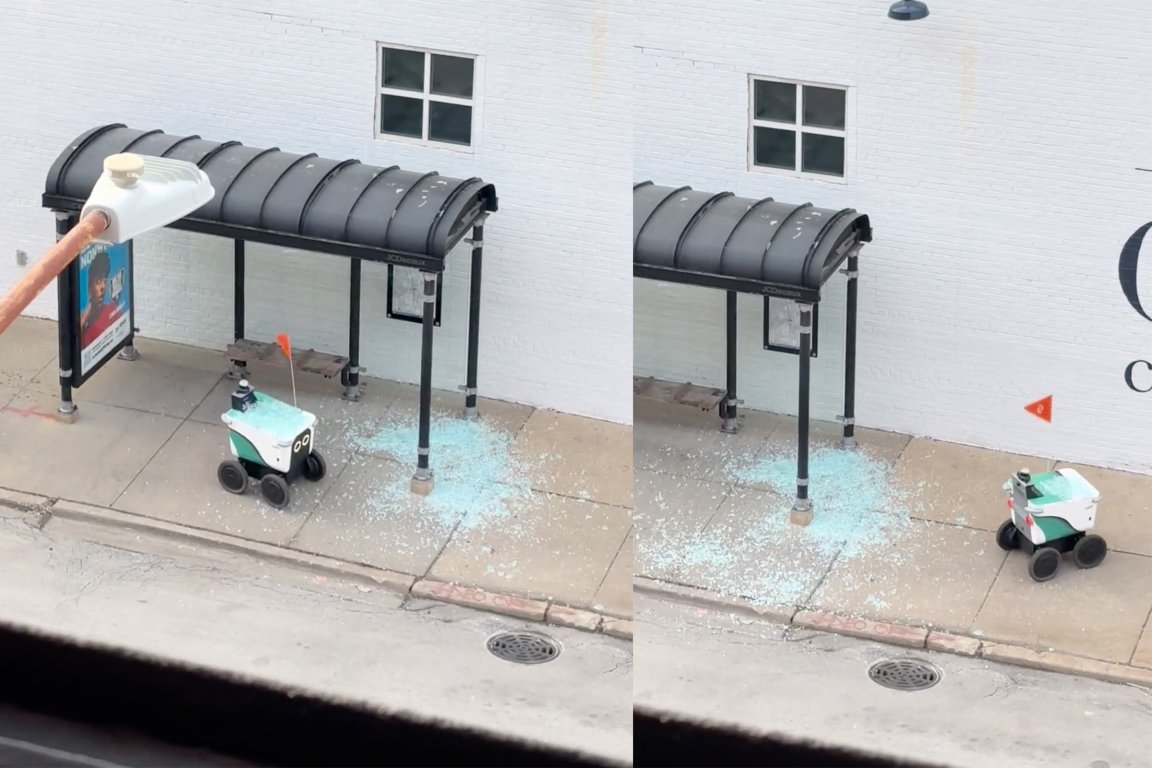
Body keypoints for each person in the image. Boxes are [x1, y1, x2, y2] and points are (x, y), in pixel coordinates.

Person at [79, 248, 123, 349]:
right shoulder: (82, 320)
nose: (103, 286)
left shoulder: (111, 310)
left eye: (104, 281)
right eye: (98, 282)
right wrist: (84, 318)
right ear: (90, 288)